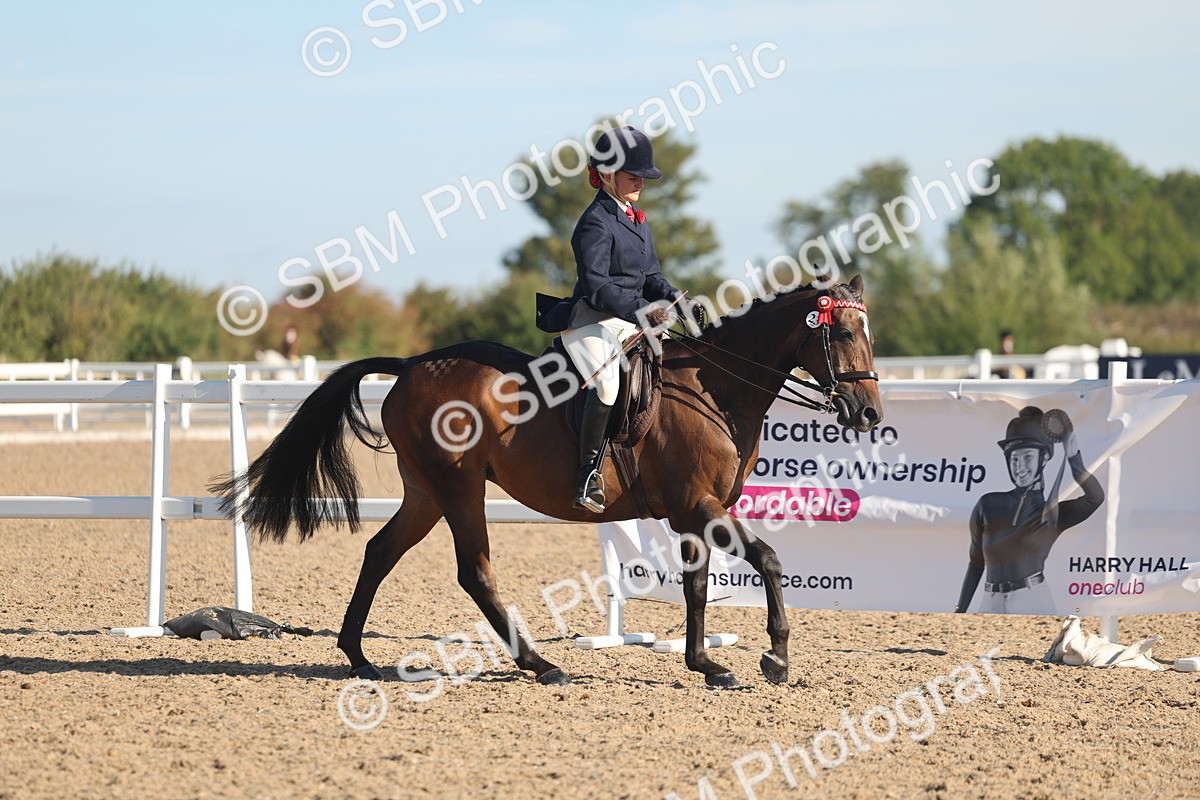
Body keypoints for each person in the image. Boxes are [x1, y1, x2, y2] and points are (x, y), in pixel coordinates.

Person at [535, 126, 693, 513]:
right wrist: (642, 310)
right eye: (631, 174)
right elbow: (596, 286)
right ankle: (587, 475)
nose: (640, 181)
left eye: (642, 174)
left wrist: (675, 297)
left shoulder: (637, 219)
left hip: (629, 320)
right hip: (591, 321)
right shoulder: (595, 221)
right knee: (606, 385)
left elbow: (651, 276)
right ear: (606, 174)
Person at [955, 407, 1104, 614]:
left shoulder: (1053, 513)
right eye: (1014, 459)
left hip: (1032, 598)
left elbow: (1095, 498)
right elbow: (976, 561)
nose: (1019, 466)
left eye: (1027, 457)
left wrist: (1073, 458)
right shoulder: (987, 504)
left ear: (1043, 459)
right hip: (990, 601)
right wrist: (960, 610)